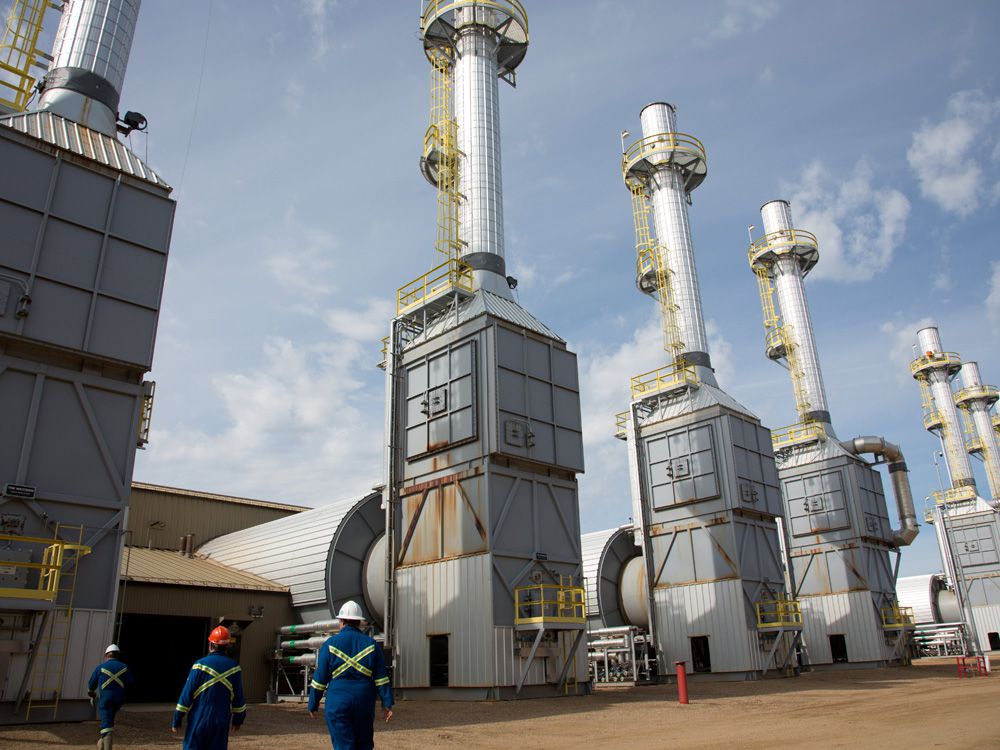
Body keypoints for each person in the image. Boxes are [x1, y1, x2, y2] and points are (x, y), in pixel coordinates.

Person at [308, 601, 393, 750]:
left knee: (343, 745)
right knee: (364, 745)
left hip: (338, 702)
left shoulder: (330, 644)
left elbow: (320, 680)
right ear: (359, 622)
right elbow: (381, 678)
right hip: (364, 701)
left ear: (341, 621)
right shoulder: (372, 644)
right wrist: (387, 703)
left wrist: (313, 704)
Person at [171, 625, 247, 749]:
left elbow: (186, 695)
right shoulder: (234, 668)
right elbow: (238, 698)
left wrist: (177, 718)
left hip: (198, 718)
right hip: (221, 720)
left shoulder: (199, 665)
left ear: (210, 645)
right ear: (227, 646)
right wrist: (238, 719)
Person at [87, 644, 133, 750]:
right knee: (109, 723)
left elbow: (91, 686)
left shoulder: (100, 668)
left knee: (106, 726)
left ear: (106, 655)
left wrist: (92, 694)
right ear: (117, 655)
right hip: (118, 701)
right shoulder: (124, 667)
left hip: (105, 701)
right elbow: (130, 683)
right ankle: (101, 744)